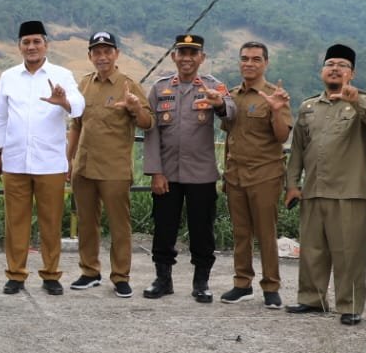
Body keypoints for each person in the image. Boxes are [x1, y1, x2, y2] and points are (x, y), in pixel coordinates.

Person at [283, 44, 366, 324]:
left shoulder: (363, 102)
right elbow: (297, 151)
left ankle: (350, 306)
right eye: (330, 64)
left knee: (349, 253)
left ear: (351, 73)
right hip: (314, 189)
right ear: (322, 71)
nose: (335, 68)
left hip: (349, 191)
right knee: (312, 250)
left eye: (342, 65)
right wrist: (292, 184)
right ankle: (311, 299)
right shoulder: (308, 107)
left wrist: (357, 102)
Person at [0, 20, 84, 295]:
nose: (31, 47)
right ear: (19, 46)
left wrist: (63, 101)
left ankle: (51, 274)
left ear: (46, 45)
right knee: (15, 221)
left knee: (51, 221)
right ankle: (16, 274)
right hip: (16, 161)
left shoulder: (61, 74)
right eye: (26, 42)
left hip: (50, 162)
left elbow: (79, 107)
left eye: (36, 42)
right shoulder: (8, 76)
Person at [141, 33, 235, 301]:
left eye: (193, 53)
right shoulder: (160, 89)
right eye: (182, 52)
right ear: (174, 56)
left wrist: (218, 105)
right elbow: (152, 132)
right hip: (167, 173)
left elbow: (232, 112)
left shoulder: (213, 86)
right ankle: (162, 279)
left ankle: (201, 283)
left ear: (201, 58)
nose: (187, 58)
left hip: (201, 173)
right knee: (163, 227)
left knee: (202, 229)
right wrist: (155, 171)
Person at [66, 31, 152, 298]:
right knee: (86, 223)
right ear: (90, 55)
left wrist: (135, 108)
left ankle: (120, 276)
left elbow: (148, 123)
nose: (102, 56)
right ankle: (89, 271)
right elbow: (76, 126)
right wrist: (68, 160)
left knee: (119, 225)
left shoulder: (128, 85)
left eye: (107, 51)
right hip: (84, 167)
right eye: (97, 51)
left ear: (116, 54)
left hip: (114, 169)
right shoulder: (83, 85)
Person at [220, 41, 292, 308]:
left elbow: (283, 135)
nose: (249, 63)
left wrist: (274, 110)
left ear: (266, 63)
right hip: (235, 174)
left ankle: (271, 286)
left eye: (256, 59)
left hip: (264, 174)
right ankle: (242, 283)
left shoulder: (275, 95)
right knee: (240, 232)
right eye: (245, 58)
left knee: (265, 233)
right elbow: (228, 129)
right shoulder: (233, 95)